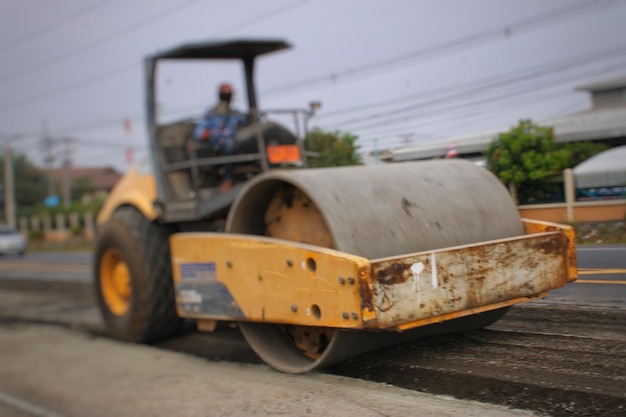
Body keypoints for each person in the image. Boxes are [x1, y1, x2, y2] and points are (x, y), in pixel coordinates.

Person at [193, 82, 248, 192]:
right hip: (217, 144)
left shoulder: (236, 114)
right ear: (220, 95)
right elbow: (199, 132)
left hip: (236, 143)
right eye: (225, 93)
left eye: (229, 93)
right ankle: (228, 179)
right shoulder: (211, 114)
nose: (227, 96)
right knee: (228, 143)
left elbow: (246, 123)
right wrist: (206, 134)